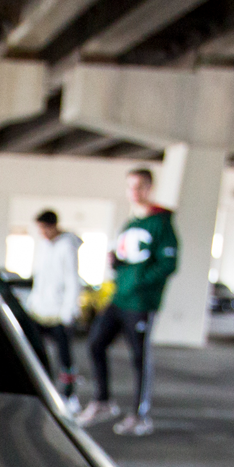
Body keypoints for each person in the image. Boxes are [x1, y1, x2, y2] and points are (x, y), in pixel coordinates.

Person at [78, 168, 179, 436]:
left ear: (149, 188)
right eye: (130, 187)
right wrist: (117, 263)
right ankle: (102, 401)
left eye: (140, 186)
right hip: (119, 298)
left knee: (140, 358)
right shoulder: (130, 224)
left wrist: (139, 281)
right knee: (96, 343)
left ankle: (140, 415)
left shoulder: (161, 223)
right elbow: (128, 258)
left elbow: (168, 263)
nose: (134, 192)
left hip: (141, 302)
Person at [24, 210, 83, 405]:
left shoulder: (67, 247)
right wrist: (32, 301)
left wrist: (68, 310)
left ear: (53, 226)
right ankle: (39, 388)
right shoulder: (43, 246)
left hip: (59, 313)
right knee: (34, 350)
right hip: (39, 310)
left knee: (64, 356)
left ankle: (69, 395)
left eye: (44, 229)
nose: (42, 233)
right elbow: (39, 277)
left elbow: (72, 280)